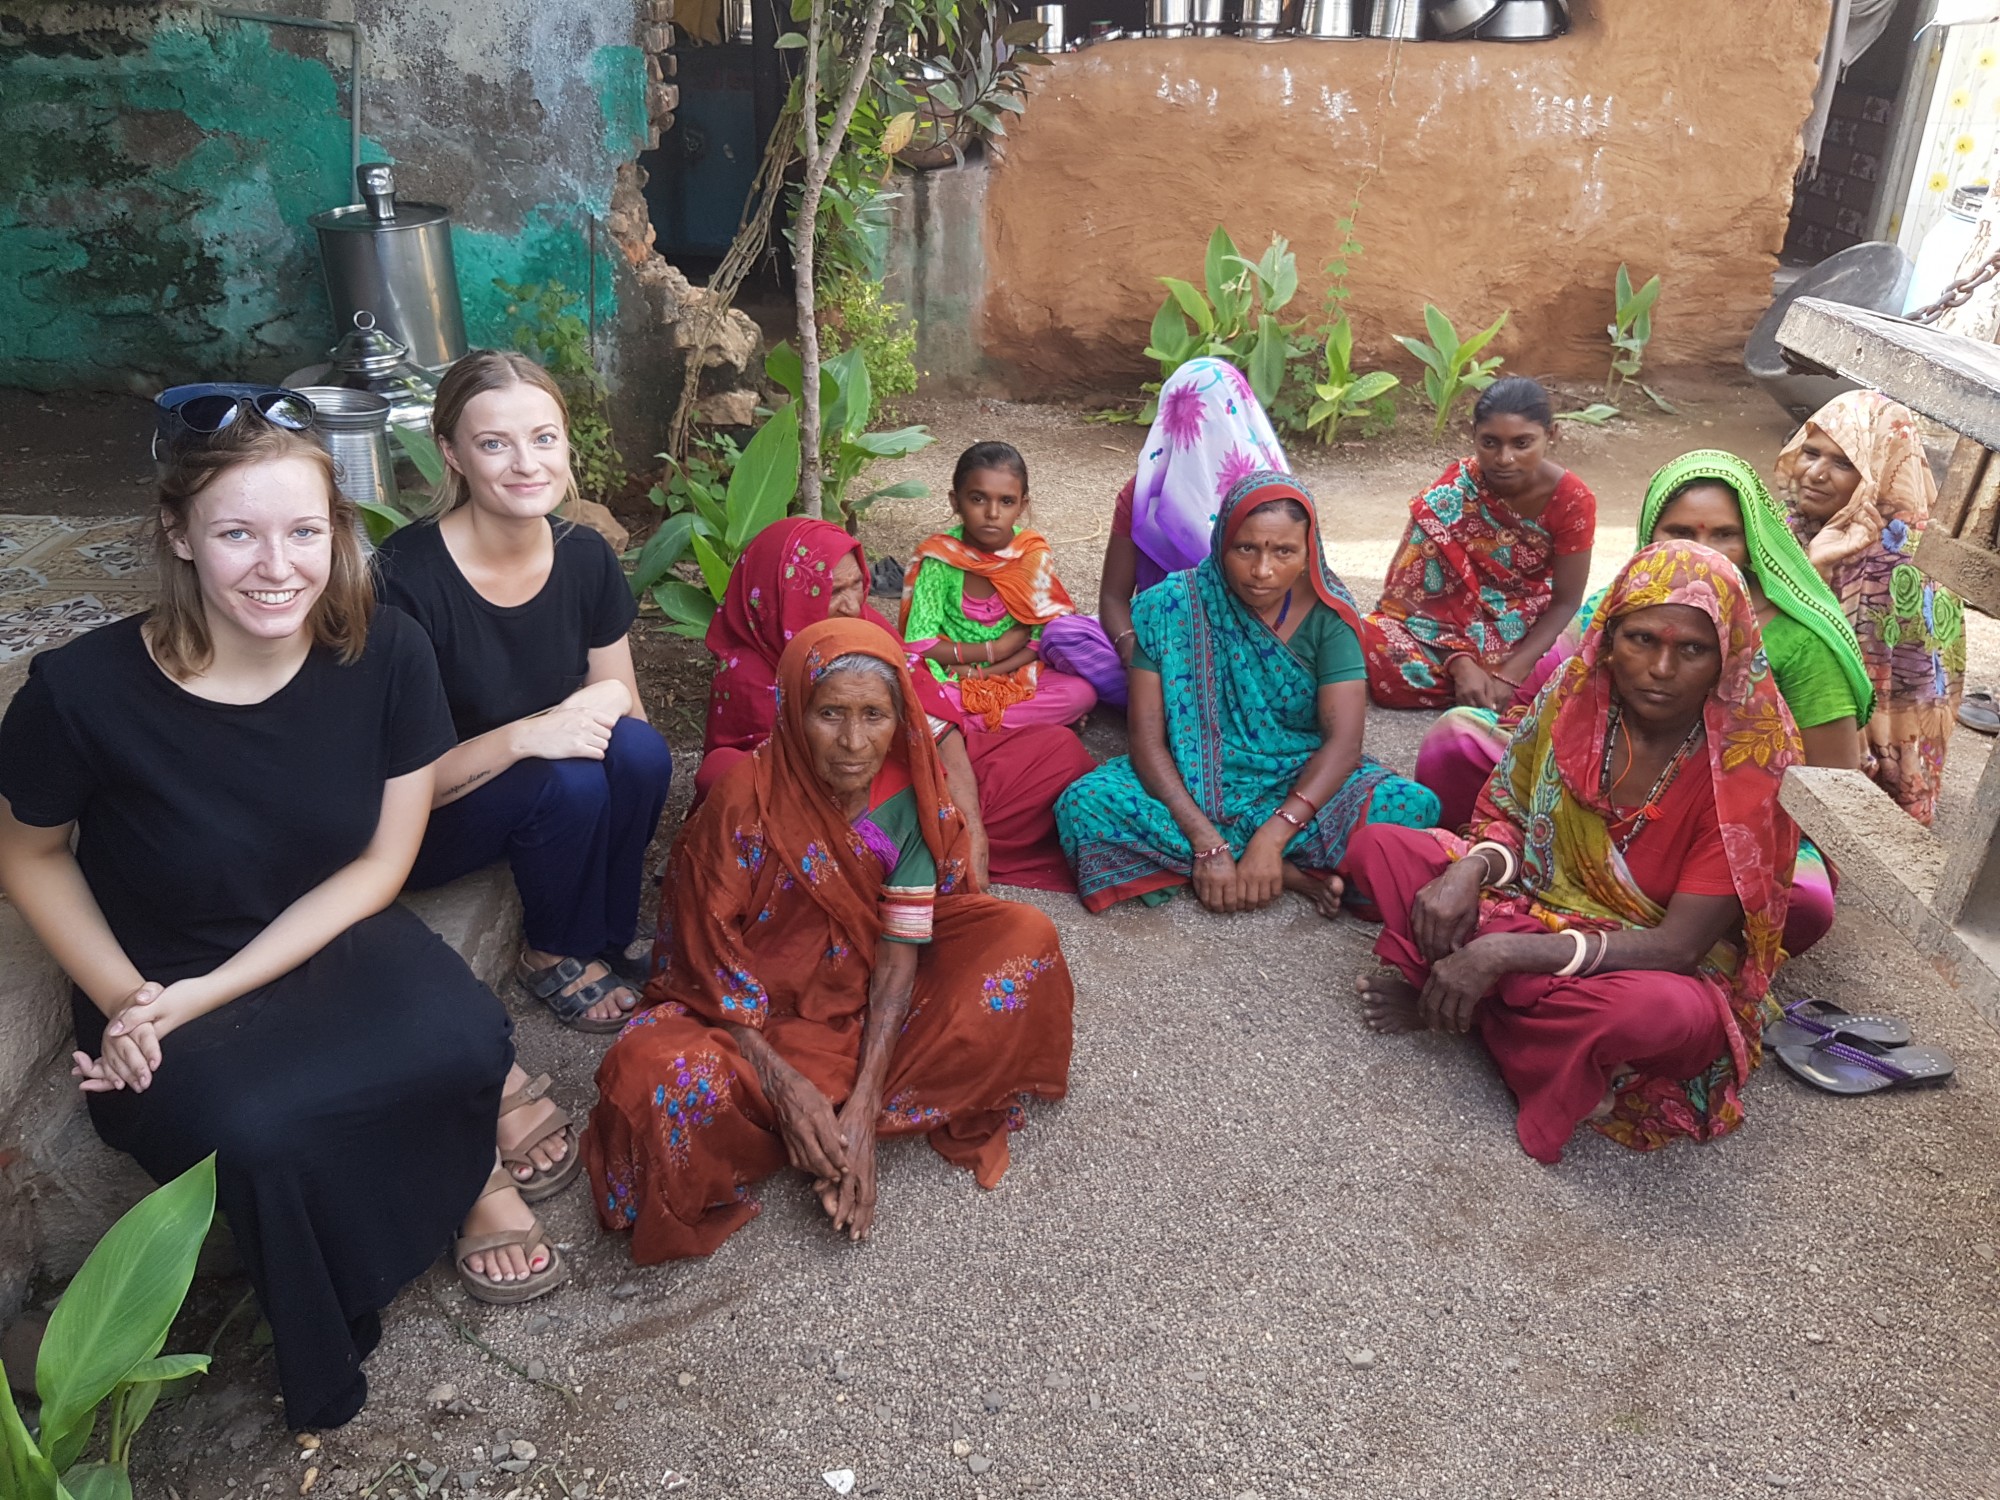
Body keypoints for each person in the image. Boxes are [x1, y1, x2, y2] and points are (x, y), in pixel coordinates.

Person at [0, 409, 560, 1434]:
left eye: (305, 532)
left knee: (468, 1038)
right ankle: (334, 1306)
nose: (277, 568)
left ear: (338, 531)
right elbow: (27, 854)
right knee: (258, 1132)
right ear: (178, 534)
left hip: (323, 928)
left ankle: (465, 1177)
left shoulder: (385, 652)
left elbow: (383, 865)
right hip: (158, 969)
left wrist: (204, 998)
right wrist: (126, 998)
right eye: (236, 534)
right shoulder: (79, 695)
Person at [585, 618, 1075, 1263]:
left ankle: (841, 1118)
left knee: (1024, 937)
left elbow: (901, 957)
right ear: (794, 711)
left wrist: (864, 1110)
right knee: (653, 1073)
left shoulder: (909, 798)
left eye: (875, 715)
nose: (853, 742)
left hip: (872, 996)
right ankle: (807, 1117)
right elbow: (704, 965)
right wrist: (786, 1087)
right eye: (831, 713)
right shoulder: (743, 800)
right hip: (745, 1016)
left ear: (900, 717)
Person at [1347, 541, 1801, 1166]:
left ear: (1729, 657)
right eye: (1642, 639)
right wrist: (1471, 870)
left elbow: (1678, 949)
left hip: (1640, 959)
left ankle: (1472, 1005)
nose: (1661, 668)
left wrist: (1501, 950)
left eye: (1692, 649)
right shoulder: (1576, 696)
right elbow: (1507, 812)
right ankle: (1513, 1025)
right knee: (1385, 849)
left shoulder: (1750, 758)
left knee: (1670, 1016)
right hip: (1538, 899)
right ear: (1609, 636)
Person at [1415, 451, 1870, 956]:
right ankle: (1509, 871)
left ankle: (1664, 936)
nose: (1703, 550)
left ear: (1755, 538)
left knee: (1804, 901)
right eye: (1680, 532)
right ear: (1651, 533)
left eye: (1724, 534)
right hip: (1596, 783)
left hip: (1718, 818)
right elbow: (1534, 705)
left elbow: (1831, 796)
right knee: (1457, 740)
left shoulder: (1803, 641)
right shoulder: (1624, 599)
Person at [377, 351, 674, 1034]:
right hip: (426, 815)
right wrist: (526, 738)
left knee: (641, 753)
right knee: (566, 781)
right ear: (452, 454)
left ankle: (607, 927)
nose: (526, 463)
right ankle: (548, 951)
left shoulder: (584, 556)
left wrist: (587, 713)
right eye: (493, 444)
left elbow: (624, 702)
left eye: (543, 438)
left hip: (539, 777)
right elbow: (399, 783)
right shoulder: (405, 580)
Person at [1055, 472, 1441, 916]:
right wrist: (1203, 841)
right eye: (1246, 549)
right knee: (1082, 805)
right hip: (1190, 778)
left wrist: (1275, 834)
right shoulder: (1171, 606)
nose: (1262, 571)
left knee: (1412, 808)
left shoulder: (1328, 615)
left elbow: (1343, 744)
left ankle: (1258, 858)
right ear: (1221, 543)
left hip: (1293, 779)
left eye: (1284, 552)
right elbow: (1146, 742)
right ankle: (1287, 872)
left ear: (1307, 552)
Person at [695, 516, 1096, 891]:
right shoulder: (750, 674)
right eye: (833, 592)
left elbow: (935, 722)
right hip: (831, 812)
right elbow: (767, 786)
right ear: (784, 597)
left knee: (1057, 752)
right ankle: (901, 858)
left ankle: (926, 847)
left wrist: (970, 826)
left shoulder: (866, 627)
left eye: (857, 585)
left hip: (910, 781)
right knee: (729, 782)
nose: (852, 604)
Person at [1039, 357, 1290, 708]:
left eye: (1213, 418)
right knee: (1063, 634)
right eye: (1188, 417)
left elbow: (1298, 603)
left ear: (1237, 417)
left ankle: (1178, 710)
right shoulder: (1144, 495)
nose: (1202, 432)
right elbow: (1113, 597)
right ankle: (1181, 708)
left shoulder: (1273, 499)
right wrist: (1131, 649)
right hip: (1156, 651)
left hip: (1243, 656)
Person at [1774, 390, 1967, 826]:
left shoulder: (1904, 564)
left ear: (1881, 471)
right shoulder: (1790, 527)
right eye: (1811, 453)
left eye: (1844, 463)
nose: (1815, 474)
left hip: (1871, 737)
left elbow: (1893, 689)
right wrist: (1816, 566)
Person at [1359, 378, 1595, 710]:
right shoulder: (1452, 492)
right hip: (1444, 631)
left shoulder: (1572, 499)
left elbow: (1567, 602)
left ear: (1551, 435)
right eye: (1490, 443)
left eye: (1522, 443)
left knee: (1581, 652)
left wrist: (1511, 673)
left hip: (1523, 624)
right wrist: (1460, 662)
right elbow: (1408, 600)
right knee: (1362, 636)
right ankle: (1488, 687)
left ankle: (1506, 686)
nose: (1505, 458)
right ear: (1473, 436)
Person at [900, 442, 1097, 731]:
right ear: (956, 502)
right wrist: (991, 649)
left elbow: (1038, 639)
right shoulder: (941, 559)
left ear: (1022, 506)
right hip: (951, 676)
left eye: (1006, 501)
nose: (992, 513)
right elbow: (920, 643)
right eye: (978, 499)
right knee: (913, 695)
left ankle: (959, 728)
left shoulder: (1030, 555)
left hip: (1015, 671)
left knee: (1081, 694)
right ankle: (1018, 725)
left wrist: (986, 672)